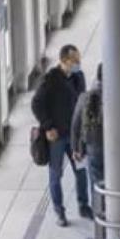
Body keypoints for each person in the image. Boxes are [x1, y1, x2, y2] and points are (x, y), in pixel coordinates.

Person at [31, 45, 91, 227]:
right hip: (57, 136)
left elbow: (83, 102)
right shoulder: (50, 80)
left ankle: (83, 205)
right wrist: (48, 126)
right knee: (56, 174)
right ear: (64, 61)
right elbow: (37, 104)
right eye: (75, 61)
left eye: (79, 60)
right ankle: (59, 211)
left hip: (75, 135)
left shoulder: (78, 77)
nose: (78, 64)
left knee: (81, 171)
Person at [71, 63, 104, 213]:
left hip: (93, 145)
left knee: (96, 184)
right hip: (116, 147)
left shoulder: (85, 97)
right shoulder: (119, 95)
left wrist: (76, 148)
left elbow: (76, 125)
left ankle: (100, 221)